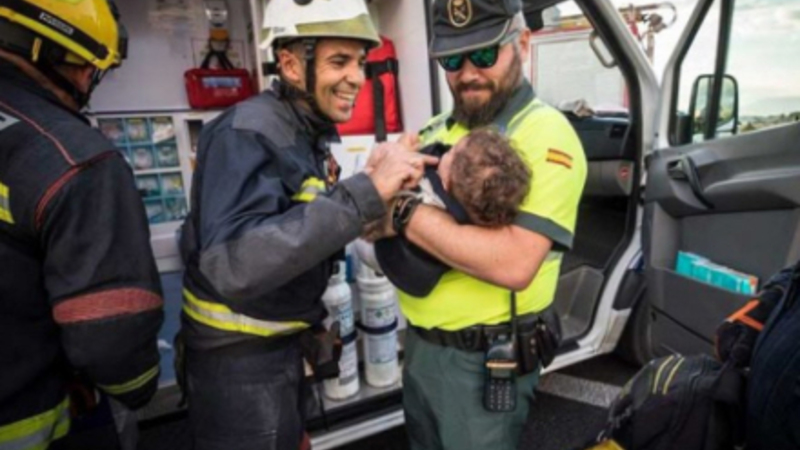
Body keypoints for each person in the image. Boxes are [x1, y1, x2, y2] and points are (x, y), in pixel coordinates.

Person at [177, 1, 436, 449]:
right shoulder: (248, 133)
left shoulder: (302, 129)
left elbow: (297, 224)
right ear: (292, 65)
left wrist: (371, 193)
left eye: (360, 62)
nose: (357, 77)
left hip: (274, 346)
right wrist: (363, 192)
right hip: (238, 366)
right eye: (340, 61)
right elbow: (234, 264)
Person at [367, 0, 588, 448]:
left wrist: (403, 212)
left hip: (484, 361)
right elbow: (369, 217)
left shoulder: (544, 133)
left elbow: (513, 262)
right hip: (422, 349)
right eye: (452, 60)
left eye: (484, 54)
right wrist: (375, 193)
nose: (467, 73)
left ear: (521, 44)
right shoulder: (434, 129)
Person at [0, 1, 165, 449]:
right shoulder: (77, 159)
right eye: (94, 70)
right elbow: (112, 342)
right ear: (75, 62)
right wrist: (140, 387)